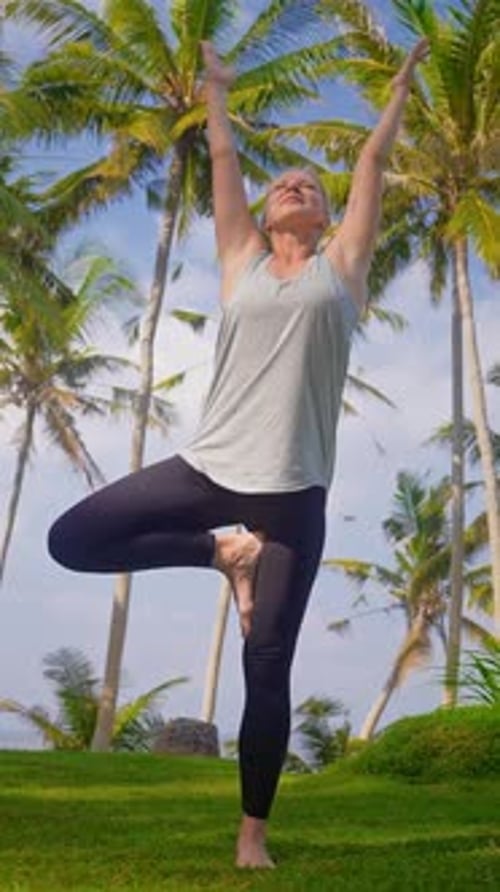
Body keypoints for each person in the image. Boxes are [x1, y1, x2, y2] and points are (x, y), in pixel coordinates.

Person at [48, 37, 429, 869]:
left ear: (327, 217)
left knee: (267, 667)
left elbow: (369, 161)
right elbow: (221, 153)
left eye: (312, 187)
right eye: (283, 182)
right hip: (210, 468)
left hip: (293, 496)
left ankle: (251, 832)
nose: (298, 183)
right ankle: (222, 553)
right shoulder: (240, 261)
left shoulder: (344, 270)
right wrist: (217, 92)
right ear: (260, 211)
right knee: (71, 541)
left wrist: (398, 90)